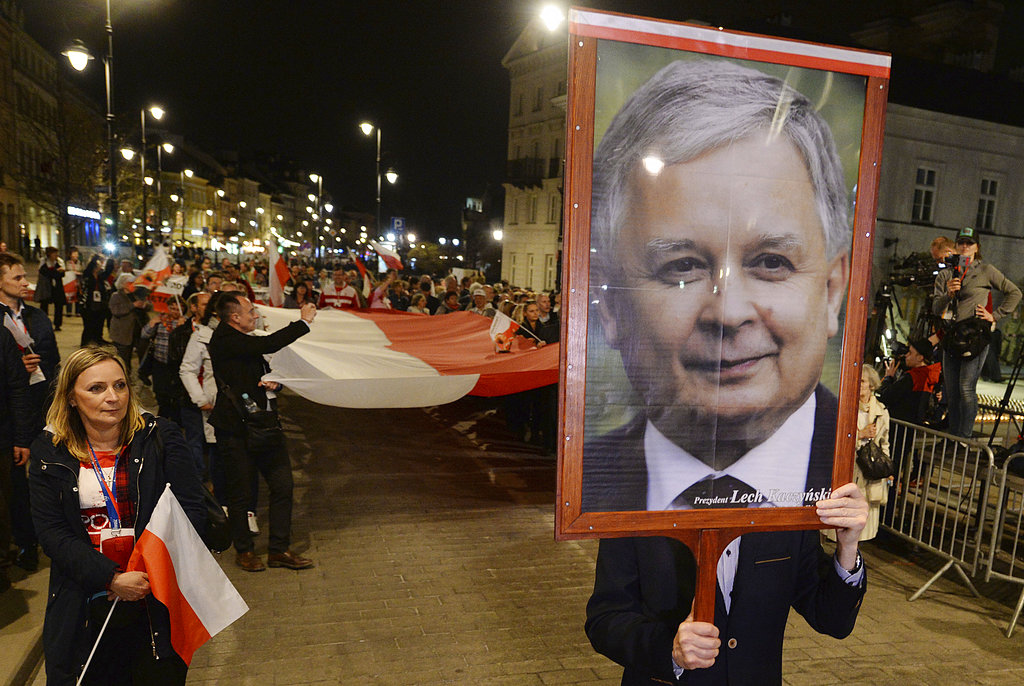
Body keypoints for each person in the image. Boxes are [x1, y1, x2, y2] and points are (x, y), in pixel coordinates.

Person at [582, 60, 867, 684]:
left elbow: (831, 617)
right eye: (681, 266)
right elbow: (604, 617)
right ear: (613, 308)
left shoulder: (816, 489)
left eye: (770, 260)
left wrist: (846, 549)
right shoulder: (609, 483)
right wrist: (666, 648)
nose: (730, 312)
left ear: (833, 290)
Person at [28, 345, 206, 685]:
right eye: (96, 388)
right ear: (70, 398)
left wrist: (145, 573)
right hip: (86, 601)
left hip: (155, 597)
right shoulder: (49, 452)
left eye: (120, 385)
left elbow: (191, 511)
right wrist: (110, 578)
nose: (113, 397)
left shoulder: (160, 437)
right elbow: (52, 533)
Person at [207, 293, 317, 571]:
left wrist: (275, 384)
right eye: (251, 311)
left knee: (283, 486)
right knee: (241, 493)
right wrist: (302, 322)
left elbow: (263, 368)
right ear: (235, 317)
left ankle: (279, 549)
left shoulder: (242, 340)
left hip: (264, 424)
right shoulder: (225, 339)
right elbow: (268, 343)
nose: (255, 315)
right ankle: (244, 550)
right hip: (236, 429)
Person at [0, 251, 60, 572]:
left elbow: (52, 358)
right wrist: (15, 367)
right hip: (10, 412)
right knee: (16, 483)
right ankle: (24, 542)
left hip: (42, 404)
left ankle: (47, 534)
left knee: (46, 474)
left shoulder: (37, 316)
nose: (26, 283)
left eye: (25, 276)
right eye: (17, 278)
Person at [932, 227, 1021, 437]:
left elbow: (1015, 292)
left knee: (966, 388)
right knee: (952, 392)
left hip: (974, 337)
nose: (964, 247)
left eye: (969, 243)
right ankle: (953, 436)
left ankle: (964, 437)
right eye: (961, 243)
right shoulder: (945, 273)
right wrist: (948, 293)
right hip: (951, 336)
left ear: (976, 247)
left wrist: (995, 315)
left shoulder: (986, 270)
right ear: (955, 246)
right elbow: (936, 308)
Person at [79, 255, 116, 346]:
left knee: (99, 322)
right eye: (99, 265)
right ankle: (85, 343)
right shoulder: (87, 276)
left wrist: (110, 260)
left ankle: (98, 339)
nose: (100, 267)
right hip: (88, 303)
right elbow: (84, 290)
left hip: (99, 303)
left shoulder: (100, 277)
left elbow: (107, 272)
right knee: (88, 325)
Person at [37, 247, 67, 331]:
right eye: (54, 253)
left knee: (59, 305)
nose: (56, 255)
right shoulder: (44, 261)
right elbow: (43, 272)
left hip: (57, 286)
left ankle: (57, 324)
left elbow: (62, 273)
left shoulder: (59, 261)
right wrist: (56, 272)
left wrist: (57, 272)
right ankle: (44, 323)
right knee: (44, 305)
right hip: (47, 286)